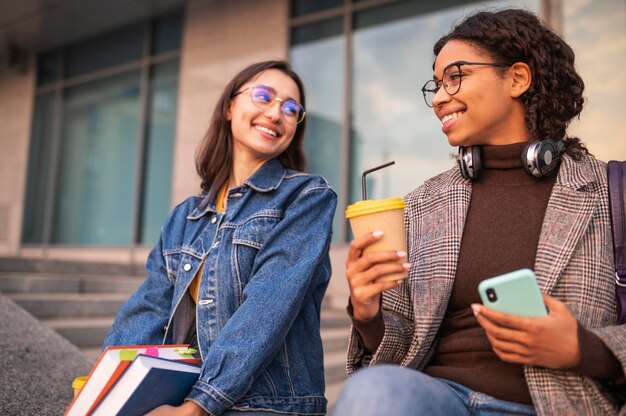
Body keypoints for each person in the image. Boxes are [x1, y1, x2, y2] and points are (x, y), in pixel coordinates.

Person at [334, 9, 626, 416]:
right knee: (374, 393)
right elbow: (397, 347)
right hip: (437, 399)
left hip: (559, 405)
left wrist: (585, 349)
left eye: (456, 76)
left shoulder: (611, 193)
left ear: (517, 78)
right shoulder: (423, 203)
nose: (438, 98)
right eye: (436, 85)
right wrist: (367, 314)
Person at [102, 60, 337, 416]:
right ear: (230, 107)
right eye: (264, 96)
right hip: (189, 395)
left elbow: (267, 307)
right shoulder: (185, 216)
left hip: (268, 406)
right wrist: (103, 391)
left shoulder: (307, 197)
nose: (276, 113)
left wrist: (199, 406)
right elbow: (149, 308)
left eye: (291, 109)